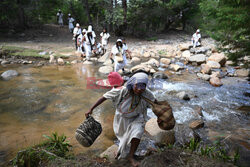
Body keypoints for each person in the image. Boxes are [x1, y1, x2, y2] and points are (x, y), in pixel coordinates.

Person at [85, 71, 155, 167]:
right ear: (132, 84)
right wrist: (91, 109)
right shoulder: (122, 91)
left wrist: (161, 115)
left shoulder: (146, 93)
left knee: (137, 133)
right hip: (122, 118)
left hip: (137, 117)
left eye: (142, 86)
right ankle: (121, 149)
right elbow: (104, 97)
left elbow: (155, 103)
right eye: (137, 86)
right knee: (123, 137)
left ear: (145, 86)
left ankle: (131, 156)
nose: (139, 89)